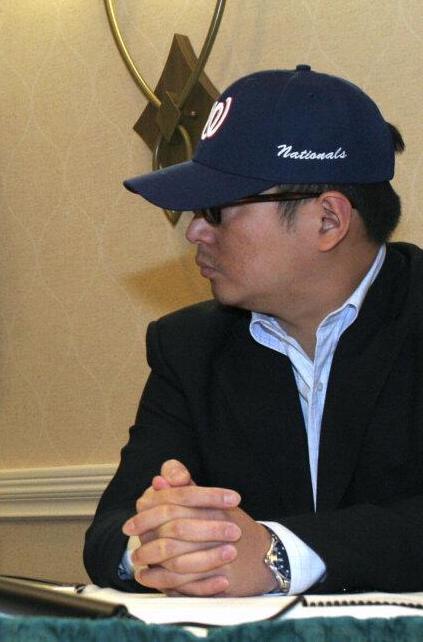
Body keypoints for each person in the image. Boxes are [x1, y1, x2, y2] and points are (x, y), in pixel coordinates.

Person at [84, 65, 423, 596]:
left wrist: (278, 554)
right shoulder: (190, 348)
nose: (195, 231)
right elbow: (110, 533)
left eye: (216, 210)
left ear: (329, 221)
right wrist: (161, 541)